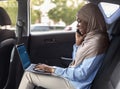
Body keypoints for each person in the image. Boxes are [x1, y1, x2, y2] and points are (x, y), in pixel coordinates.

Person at [18, 3, 110, 89]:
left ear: (90, 21)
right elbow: (75, 62)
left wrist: (51, 70)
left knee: (28, 75)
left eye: (80, 21)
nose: (77, 26)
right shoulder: (91, 37)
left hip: (76, 85)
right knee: (34, 71)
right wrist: (77, 44)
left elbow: (82, 74)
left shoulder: (96, 42)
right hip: (73, 79)